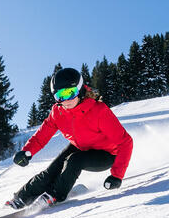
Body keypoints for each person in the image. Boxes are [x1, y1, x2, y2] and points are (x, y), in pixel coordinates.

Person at [7, 67, 133, 208]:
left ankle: (55, 194)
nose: (66, 100)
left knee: (74, 160)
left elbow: (125, 142)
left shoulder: (99, 111)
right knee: (52, 170)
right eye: (60, 95)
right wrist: (27, 152)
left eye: (70, 93)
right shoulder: (58, 112)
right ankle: (21, 198)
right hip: (81, 147)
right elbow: (42, 135)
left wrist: (117, 175)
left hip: (107, 154)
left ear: (80, 90)